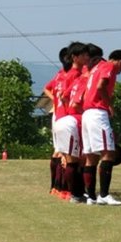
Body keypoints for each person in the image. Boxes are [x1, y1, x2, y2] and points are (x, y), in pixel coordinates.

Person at [81, 47, 121, 206]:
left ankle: (91, 197)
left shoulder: (96, 67)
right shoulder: (108, 66)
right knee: (108, 153)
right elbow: (101, 86)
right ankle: (104, 194)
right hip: (98, 113)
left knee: (91, 157)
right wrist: (109, 104)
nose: (120, 72)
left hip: (87, 113)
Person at [55, 42, 90, 203]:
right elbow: (73, 100)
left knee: (67, 157)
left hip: (62, 118)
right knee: (75, 159)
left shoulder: (67, 74)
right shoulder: (77, 75)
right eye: (84, 55)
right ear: (75, 57)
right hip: (71, 119)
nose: (87, 58)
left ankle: (64, 190)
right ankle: (73, 192)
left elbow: (63, 95)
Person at [45, 46, 70, 198]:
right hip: (65, 115)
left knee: (58, 150)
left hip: (57, 115)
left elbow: (47, 88)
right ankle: (62, 188)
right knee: (65, 152)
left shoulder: (59, 74)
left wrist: (55, 100)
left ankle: (54, 187)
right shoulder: (70, 75)